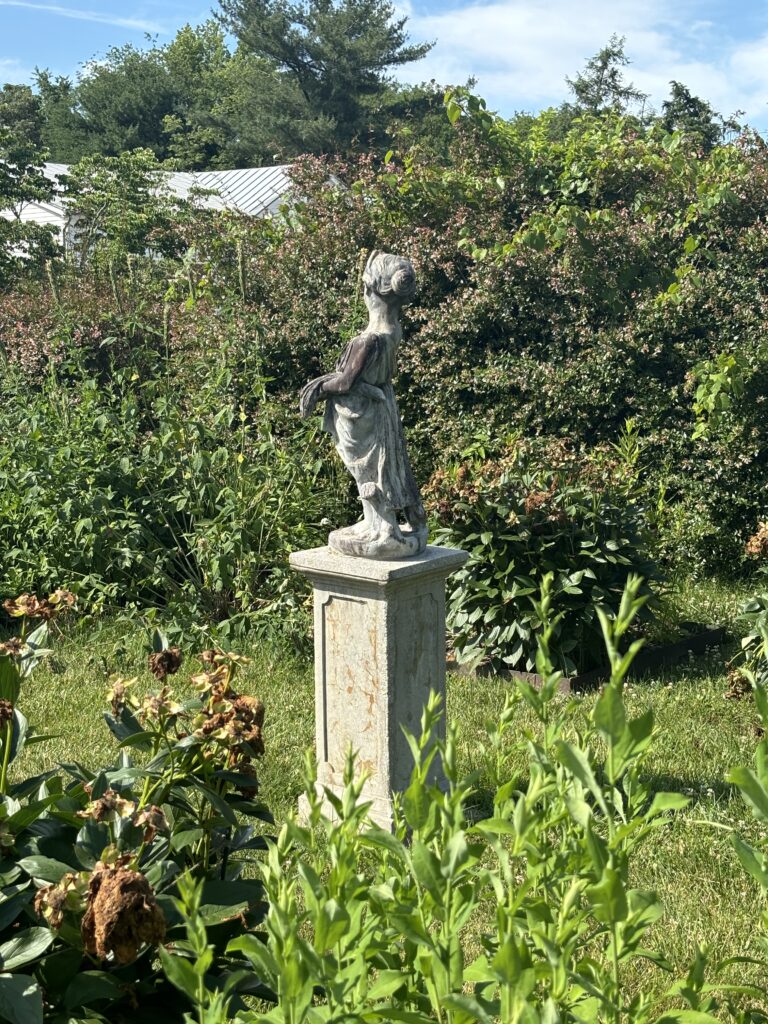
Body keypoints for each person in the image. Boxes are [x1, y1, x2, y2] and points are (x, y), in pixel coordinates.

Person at [299, 250, 428, 559]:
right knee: (383, 466)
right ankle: (376, 522)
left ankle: (385, 530)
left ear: (369, 290)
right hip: (379, 408)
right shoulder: (393, 330)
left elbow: (344, 383)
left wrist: (317, 387)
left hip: (361, 416)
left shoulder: (367, 339)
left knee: (371, 471)